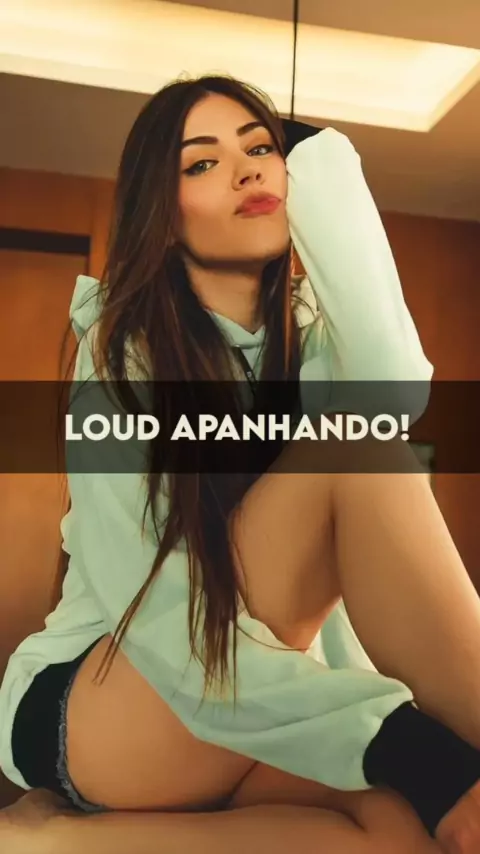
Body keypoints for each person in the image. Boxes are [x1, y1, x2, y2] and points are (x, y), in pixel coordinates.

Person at [2, 73, 480, 854]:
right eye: (202, 163)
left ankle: (54, 842)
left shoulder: (317, 349)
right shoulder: (122, 354)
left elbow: (396, 393)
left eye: (262, 151)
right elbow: (162, 622)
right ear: (162, 218)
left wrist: (323, 159)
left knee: (408, 834)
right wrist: (409, 745)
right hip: (115, 696)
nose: (248, 172)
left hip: (242, 699)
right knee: (353, 446)